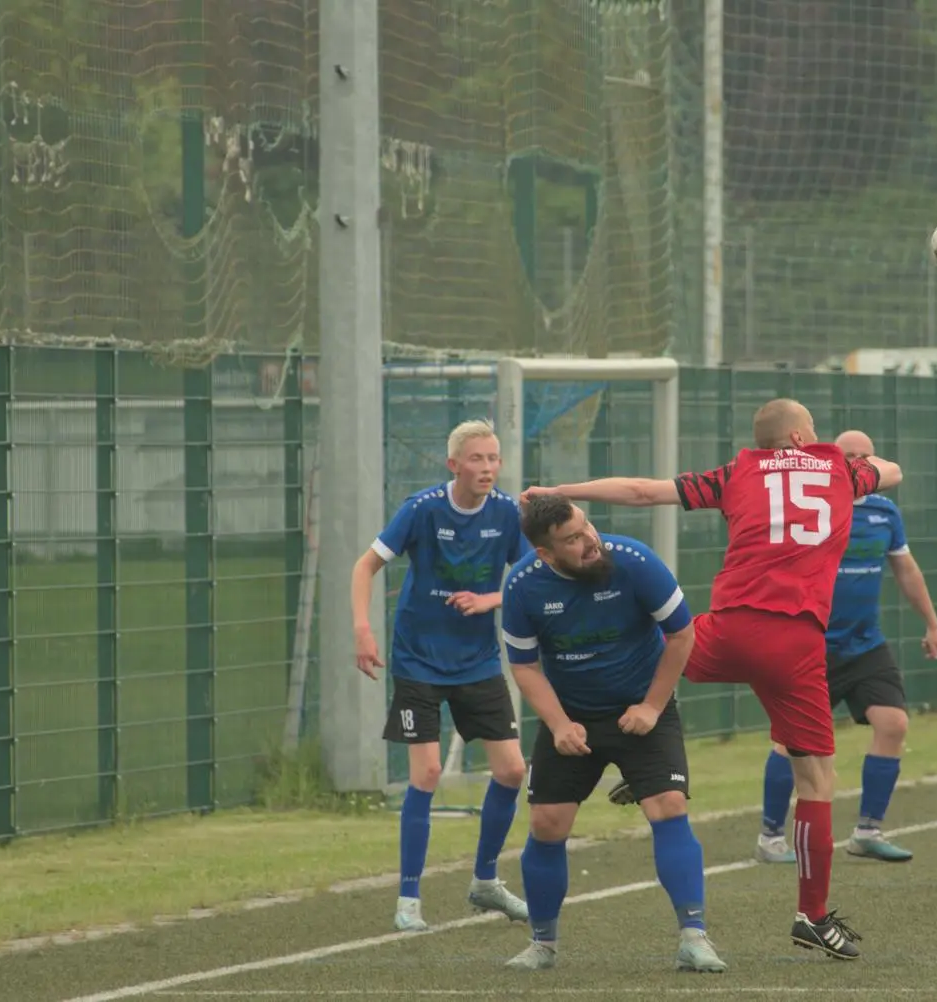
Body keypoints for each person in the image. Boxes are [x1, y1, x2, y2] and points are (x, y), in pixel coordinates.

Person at [523, 398, 902, 962]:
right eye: (813, 432)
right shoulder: (840, 469)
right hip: (795, 641)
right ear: (801, 437)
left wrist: (563, 490)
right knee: (816, 778)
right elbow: (891, 471)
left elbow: (643, 491)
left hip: (725, 630)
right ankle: (812, 914)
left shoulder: (737, 472)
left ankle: (643, 760)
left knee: (658, 650)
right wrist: (846, 465)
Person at [498, 493, 726, 973]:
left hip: (644, 708)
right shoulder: (523, 585)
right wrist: (559, 725)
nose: (590, 542)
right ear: (545, 553)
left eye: (587, 528)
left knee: (668, 805)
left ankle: (694, 937)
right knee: (546, 823)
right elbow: (524, 666)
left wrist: (651, 705)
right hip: (574, 716)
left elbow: (682, 635)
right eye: (573, 539)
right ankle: (543, 944)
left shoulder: (635, 560)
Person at [351, 419, 532, 932]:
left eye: (494, 459)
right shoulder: (422, 509)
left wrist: (490, 599)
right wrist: (363, 629)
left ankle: (486, 881)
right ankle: (409, 898)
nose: (488, 468)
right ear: (454, 465)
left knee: (512, 772)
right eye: (477, 459)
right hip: (418, 660)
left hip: (476, 663)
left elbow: (527, 576)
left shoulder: (507, 513)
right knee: (426, 773)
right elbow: (365, 566)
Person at [747, 429, 937, 866]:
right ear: (831, 461)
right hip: (808, 645)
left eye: (865, 457)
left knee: (893, 724)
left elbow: (907, 570)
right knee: (790, 743)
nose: (857, 464)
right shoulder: (808, 510)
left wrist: (932, 623)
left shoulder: (884, 512)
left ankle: (868, 832)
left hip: (864, 643)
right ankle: (770, 836)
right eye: (848, 456)